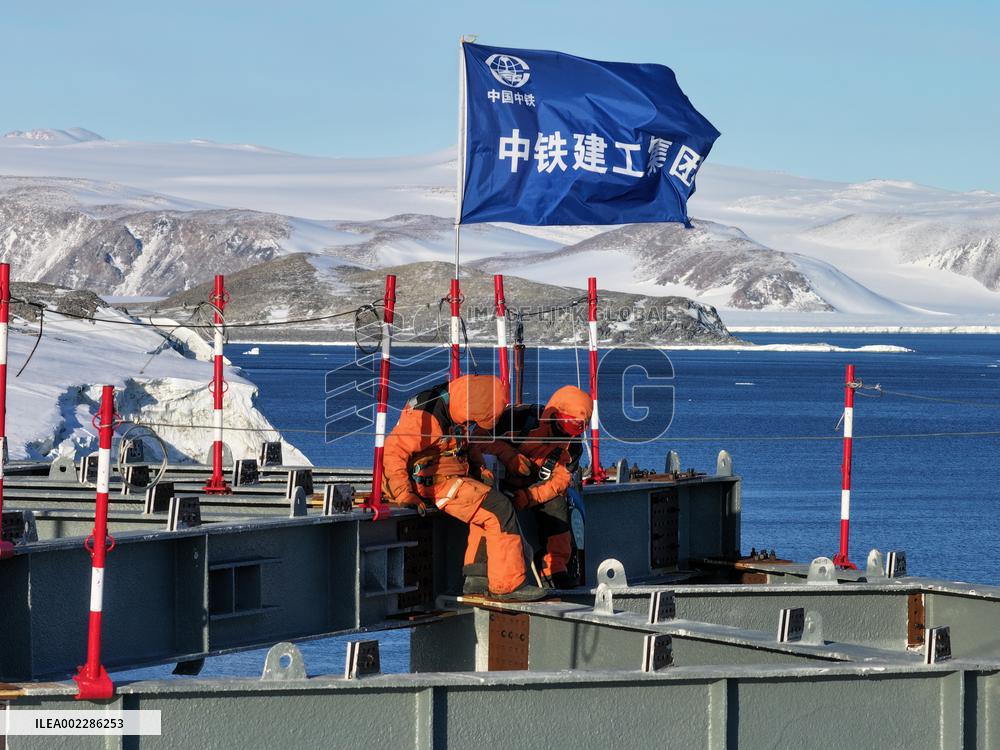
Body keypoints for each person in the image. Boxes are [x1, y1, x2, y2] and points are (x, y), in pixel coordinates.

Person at [381, 374, 546, 602]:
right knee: (499, 510)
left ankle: (477, 578)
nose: (474, 425)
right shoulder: (426, 416)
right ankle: (508, 585)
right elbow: (393, 452)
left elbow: (464, 442)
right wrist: (403, 493)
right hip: (433, 484)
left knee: (486, 512)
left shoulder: (454, 403)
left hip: (449, 476)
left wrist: (479, 468)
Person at [475, 385, 592, 590]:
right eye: (564, 424)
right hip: (496, 481)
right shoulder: (519, 417)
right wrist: (508, 455)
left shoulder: (573, 447)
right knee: (493, 510)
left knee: (557, 505)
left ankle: (554, 568)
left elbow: (559, 482)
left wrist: (528, 496)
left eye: (575, 428)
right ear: (554, 413)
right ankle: (484, 570)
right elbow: (476, 438)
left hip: (532, 487)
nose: (566, 432)